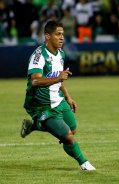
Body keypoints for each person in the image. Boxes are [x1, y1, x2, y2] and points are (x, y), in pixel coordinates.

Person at [20, 20, 95, 171]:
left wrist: (68, 97)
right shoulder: (39, 55)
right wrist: (58, 78)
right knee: (68, 136)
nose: (62, 38)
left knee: (72, 130)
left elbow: (59, 79)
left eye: (62, 34)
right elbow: (35, 80)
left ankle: (34, 125)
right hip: (41, 105)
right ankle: (84, 163)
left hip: (58, 100)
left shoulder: (60, 53)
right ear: (47, 36)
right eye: (58, 34)